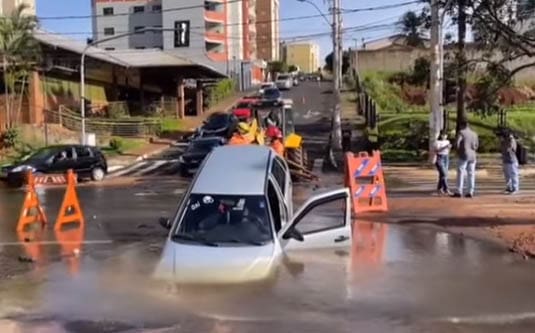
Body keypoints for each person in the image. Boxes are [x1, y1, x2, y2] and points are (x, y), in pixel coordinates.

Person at [453, 121, 479, 198]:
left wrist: (457, 150)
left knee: (461, 172)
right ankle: (470, 191)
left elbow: (457, 143)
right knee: (471, 173)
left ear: (462, 126)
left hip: (463, 154)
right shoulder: (474, 134)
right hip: (472, 155)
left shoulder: (461, 133)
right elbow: (476, 146)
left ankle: (459, 191)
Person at [500, 130, 519, 194]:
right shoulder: (503, 141)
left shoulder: (511, 140)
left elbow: (510, 149)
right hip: (505, 160)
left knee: (513, 174)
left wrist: (510, 138)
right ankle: (509, 188)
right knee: (507, 176)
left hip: (512, 160)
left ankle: (515, 188)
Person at [434, 130, 452, 195]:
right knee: (444, 174)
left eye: (445, 135)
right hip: (440, 158)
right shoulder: (437, 142)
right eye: (443, 135)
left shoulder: (447, 141)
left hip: (446, 157)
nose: (444, 136)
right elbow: (436, 150)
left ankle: (439, 189)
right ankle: (446, 189)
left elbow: (448, 151)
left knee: (443, 175)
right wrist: (445, 147)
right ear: (440, 135)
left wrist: (449, 148)